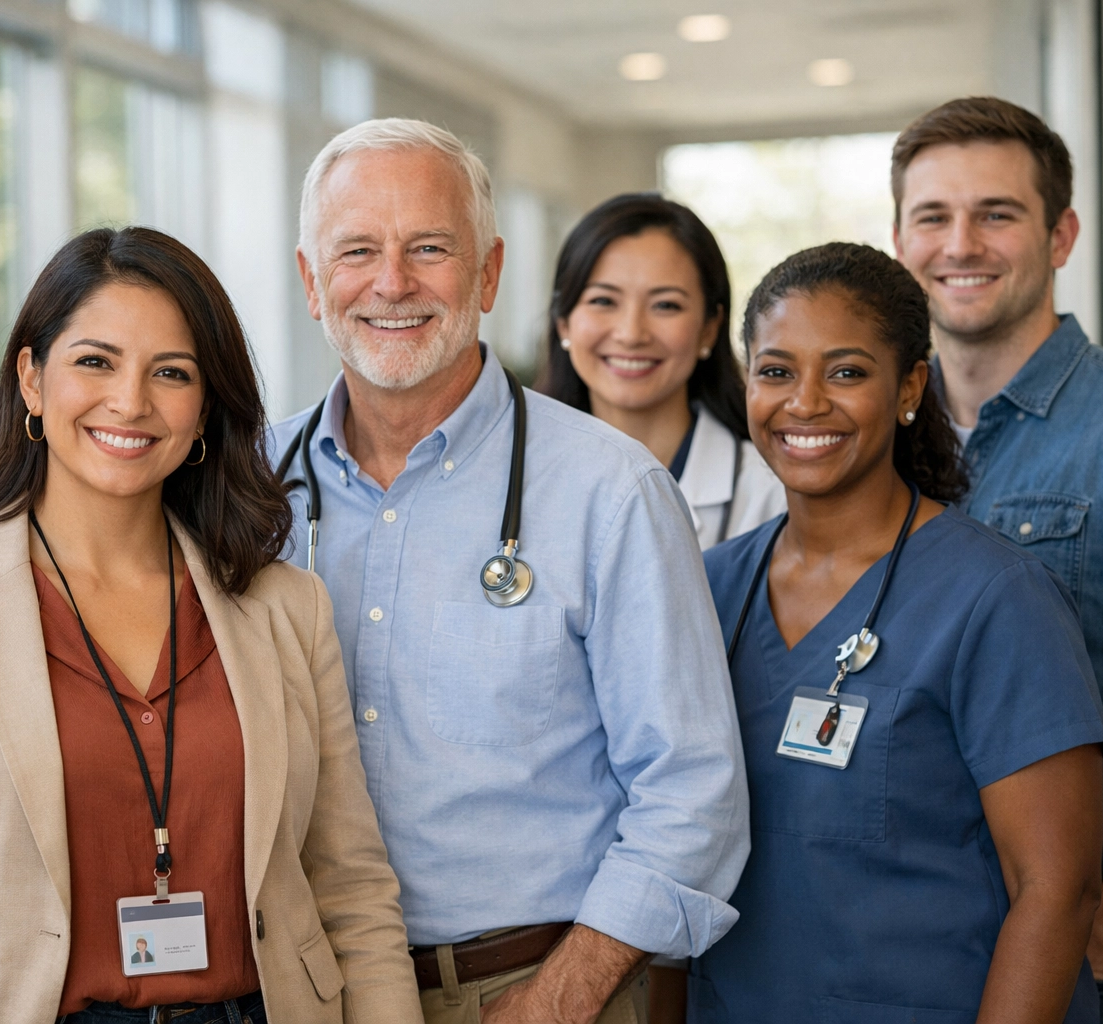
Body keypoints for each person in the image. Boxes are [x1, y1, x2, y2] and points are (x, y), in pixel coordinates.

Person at [0, 227, 422, 1024]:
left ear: (206, 408)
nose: (130, 402)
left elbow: (352, 893)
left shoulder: (286, 607)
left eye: (171, 373)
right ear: (31, 379)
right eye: (94, 362)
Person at [273, 117, 749, 1024]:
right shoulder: (249, 486)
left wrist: (556, 1000)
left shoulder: (612, 493)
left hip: (545, 986)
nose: (392, 282)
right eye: (356, 251)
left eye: (429, 248)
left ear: (488, 274)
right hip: (310, 988)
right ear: (310, 282)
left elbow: (693, 794)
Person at [669, 242, 1103, 1023]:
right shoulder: (707, 588)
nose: (804, 402)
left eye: (846, 372)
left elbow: (1057, 890)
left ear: (909, 387)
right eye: (775, 371)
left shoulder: (997, 600)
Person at [889, 97, 1103, 1018]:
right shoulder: (875, 449)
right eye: (933, 216)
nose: (960, 243)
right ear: (898, 241)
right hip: (932, 960)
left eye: (996, 214)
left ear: (1061, 235)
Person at [537, 193, 783, 547]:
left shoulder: (770, 493)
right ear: (563, 322)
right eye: (603, 301)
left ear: (710, 328)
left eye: (665, 305)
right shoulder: (511, 482)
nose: (631, 334)